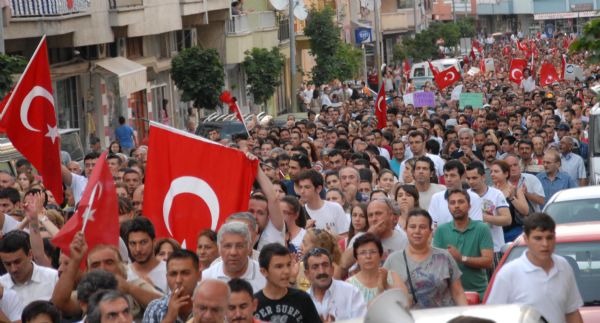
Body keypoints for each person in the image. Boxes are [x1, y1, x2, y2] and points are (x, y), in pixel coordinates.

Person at [486, 213, 584, 323]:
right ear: (526, 239)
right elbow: (493, 317)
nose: (545, 244)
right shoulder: (508, 274)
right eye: (538, 238)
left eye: (549, 238)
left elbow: (571, 312)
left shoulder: (564, 267)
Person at [384, 209, 467, 308]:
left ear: (430, 231)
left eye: (422, 227)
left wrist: (465, 316)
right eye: (412, 227)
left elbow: (458, 292)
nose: (417, 231)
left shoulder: (444, 257)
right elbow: (384, 292)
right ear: (406, 230)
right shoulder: (393, 260)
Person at [433, 189, 493, 300]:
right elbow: (436, 265)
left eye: (460, 202)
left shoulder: (482, 228)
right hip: (449, 296)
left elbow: (488, 261)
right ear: (448, 207)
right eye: (452, 203)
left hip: (478, 294)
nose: (456, 206)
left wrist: (461, 258)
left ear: (469, 206)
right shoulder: (441, 230)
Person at [254, 243, 321, 323]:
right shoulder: (253, 303)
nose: (286, 271)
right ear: (264, 271)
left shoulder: (302, 299)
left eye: (288, 265)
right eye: (279, 266)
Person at [0, 230, 59, 308]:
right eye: (7, 264)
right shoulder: (1, 285)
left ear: (30, 255)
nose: (13, 269)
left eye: (17, 262)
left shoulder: (53, 278)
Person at [202, 221, 266, 292]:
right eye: (227, 246)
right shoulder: (206, 278)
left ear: (249, 247)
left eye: (239, 246)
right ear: (219, 248)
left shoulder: (265, 276)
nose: (233, 252)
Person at [305, 248, 366, 321]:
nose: (321, 271)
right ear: (307, 274)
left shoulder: (351, 293)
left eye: (325, 265)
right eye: (315, 267)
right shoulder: (303, 300)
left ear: (332, 270)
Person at [465, 161, 511, 257]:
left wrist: (482, 217)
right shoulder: (464, 196)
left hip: (494, 249)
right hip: (471, 250)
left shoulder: (496, 194)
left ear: (483, 177)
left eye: (474, 178)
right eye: (468, 178)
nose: (471, 181)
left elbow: (507, 220)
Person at [346, 233, 407, 304]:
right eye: (363, 253)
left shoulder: (392, 276)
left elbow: (407, 302)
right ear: (356, 259)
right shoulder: (350, 285)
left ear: (381, 256)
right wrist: (380, 291)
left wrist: (387, 285)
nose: (368, 256)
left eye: (373, 252)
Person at [143, 250, 201, 323]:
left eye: (185, 273)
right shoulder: (155, 308)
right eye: (173, 274)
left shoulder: (211, 305)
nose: (178, 280)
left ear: (199, 275)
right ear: (166, 277)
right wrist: (169, 318)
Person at [428, 160, 483, 227]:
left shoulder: (474, 198)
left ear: (462, 177)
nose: (448, 179)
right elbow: (431, 225)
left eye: (452, 175)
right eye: (446, 175)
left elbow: (476, 226)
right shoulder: (436, 198)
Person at [296, 169, 349, 236]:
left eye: (307, 187)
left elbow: (345, 238)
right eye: (300, 187)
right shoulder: (299, 213)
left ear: (318, 189)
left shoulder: (335, 208)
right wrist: (304, 231)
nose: (302, 191)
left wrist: (329, 236)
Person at [124, 217, 169, 293]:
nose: (138, 249)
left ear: (154, 242)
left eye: (143, 242)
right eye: (133, 243)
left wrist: (152, 290)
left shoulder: (169, 271)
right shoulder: (124, 274)